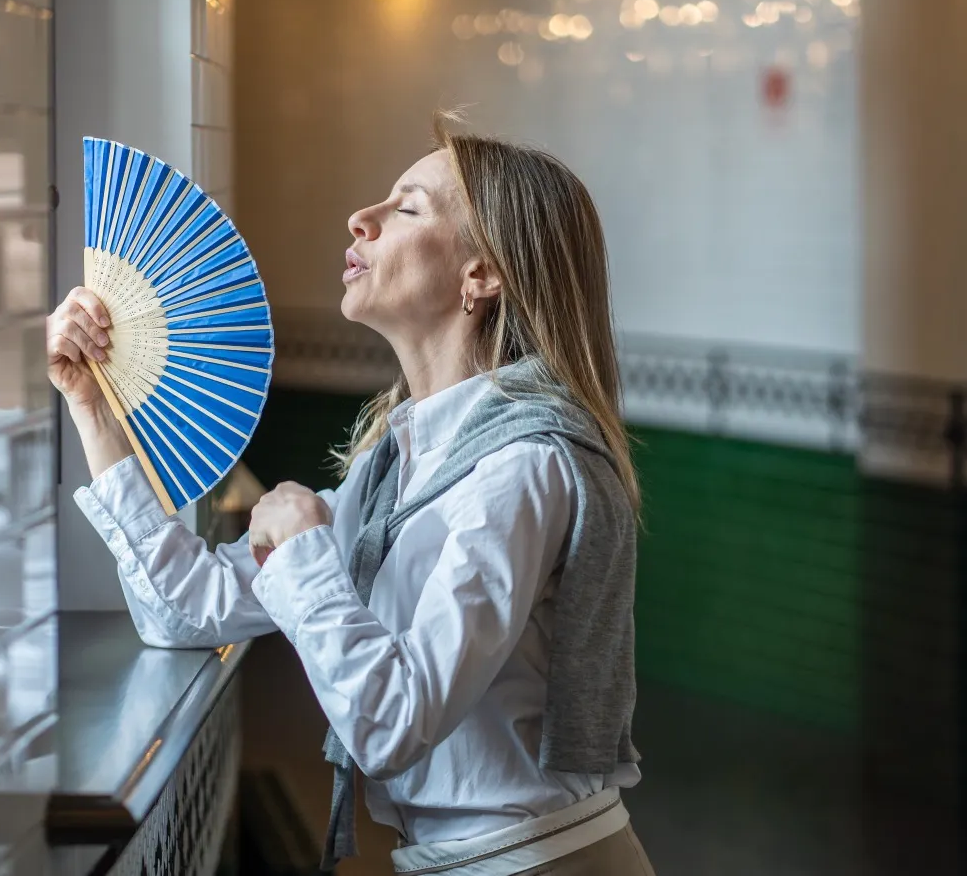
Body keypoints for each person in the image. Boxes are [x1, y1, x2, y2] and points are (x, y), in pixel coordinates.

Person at [47, 119, 655, 876]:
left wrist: (304, 551)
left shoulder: (524, 467)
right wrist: (91, 406)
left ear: (480, 275)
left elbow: (391, 726)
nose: (360, 218)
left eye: (407, 207)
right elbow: (184, 609)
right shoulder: (394, 471)